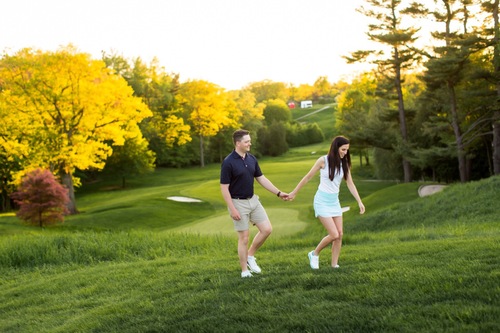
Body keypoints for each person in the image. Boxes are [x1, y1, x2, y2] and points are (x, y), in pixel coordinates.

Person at [287, 136, 365, 269]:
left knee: (339, 234)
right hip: (322, 201)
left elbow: (350, 183)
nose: (345, 153)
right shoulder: (323, 161)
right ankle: (314, 253)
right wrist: (294, 192)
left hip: (335, 202)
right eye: (343, 149)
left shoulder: (344, 163)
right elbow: (307, 177)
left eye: (347, 150)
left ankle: (334, 264)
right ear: (336, 148)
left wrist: (359, 201)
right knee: (334, 234)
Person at [220, 129, 288, 278]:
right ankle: (244, 271)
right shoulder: (228, 162)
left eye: (249, 141)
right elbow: (224, 188)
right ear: (238, 143)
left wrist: (278, 193)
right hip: (238, 203)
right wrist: (232, 209)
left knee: (267, 229)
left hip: (253, 200)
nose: (250, 143)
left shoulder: (251, 159)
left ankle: (250, 256)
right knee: (244, 238)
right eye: (247, 141)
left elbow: (261, 179)